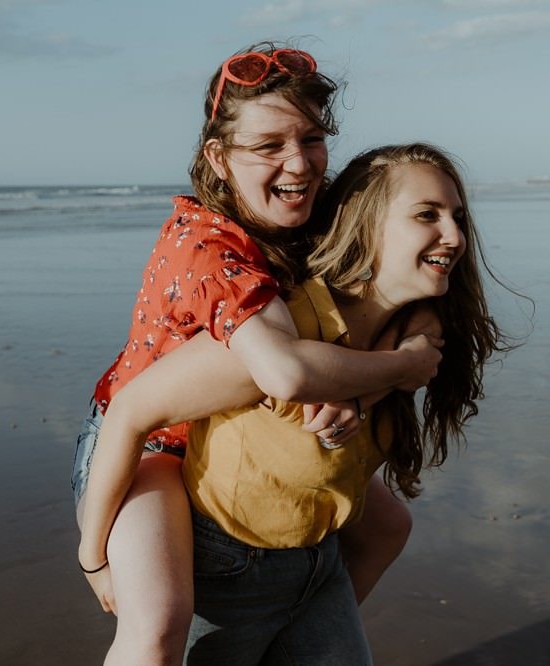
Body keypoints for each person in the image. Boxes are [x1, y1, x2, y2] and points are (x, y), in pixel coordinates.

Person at [73, 43, 441, 664]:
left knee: (388, 527)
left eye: (312, 138)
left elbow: (398, 279)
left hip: (240, 432)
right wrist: (93, 555)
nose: (298, 162)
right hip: (152, 442)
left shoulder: (306, 218)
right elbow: (284, 370)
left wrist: (385, 365)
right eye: (268, 145)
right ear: (219, 157)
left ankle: (292, 632)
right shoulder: (209, 247)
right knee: (158, 622)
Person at [96, 143, 512, 663]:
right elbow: (130, 410)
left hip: (320, 570)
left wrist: (368, 392)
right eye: (427, 215)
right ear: (365, 225)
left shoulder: (418, 341)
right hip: (222, 571)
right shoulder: (278, 334)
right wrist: (95, 559)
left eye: (458, 217)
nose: (454, 236)